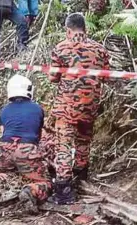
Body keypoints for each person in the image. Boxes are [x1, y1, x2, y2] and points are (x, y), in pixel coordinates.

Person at [40, 13, 110, 205]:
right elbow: (105, 77)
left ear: (68, 30)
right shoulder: (100, 49)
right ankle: (81, 176)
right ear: (85, 28)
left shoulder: (61, 48)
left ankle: (64, 190)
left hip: (67, 108)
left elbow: (53, 78)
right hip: (90, 108)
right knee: (83, 142)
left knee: (63, 146)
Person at [0, 74, 51, 210]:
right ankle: (31, 191)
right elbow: (39, 134)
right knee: (45, 182)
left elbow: (3, 132)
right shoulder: (37, 109)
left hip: (5, 148)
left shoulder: (4, 110)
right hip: (26, 149)